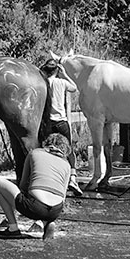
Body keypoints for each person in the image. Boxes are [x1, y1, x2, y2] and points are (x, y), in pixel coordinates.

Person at [0, 133, 72, 239]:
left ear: (46, 144)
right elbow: (63, 195)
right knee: (45, 203)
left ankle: (13, 227)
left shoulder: (34, 153)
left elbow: (23, 184)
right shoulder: (67, 165)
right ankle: (47, 222)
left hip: (35, 206)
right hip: (55, 211)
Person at [41, 59, 83, 196]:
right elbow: (74, 87)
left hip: (48, 123)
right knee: (68, 149)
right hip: (62, 121)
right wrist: (64, 74)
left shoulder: (44, 83)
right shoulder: (62, 82)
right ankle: (72, 178)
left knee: (47, 150)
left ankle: (49, 179)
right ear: (57, 70)